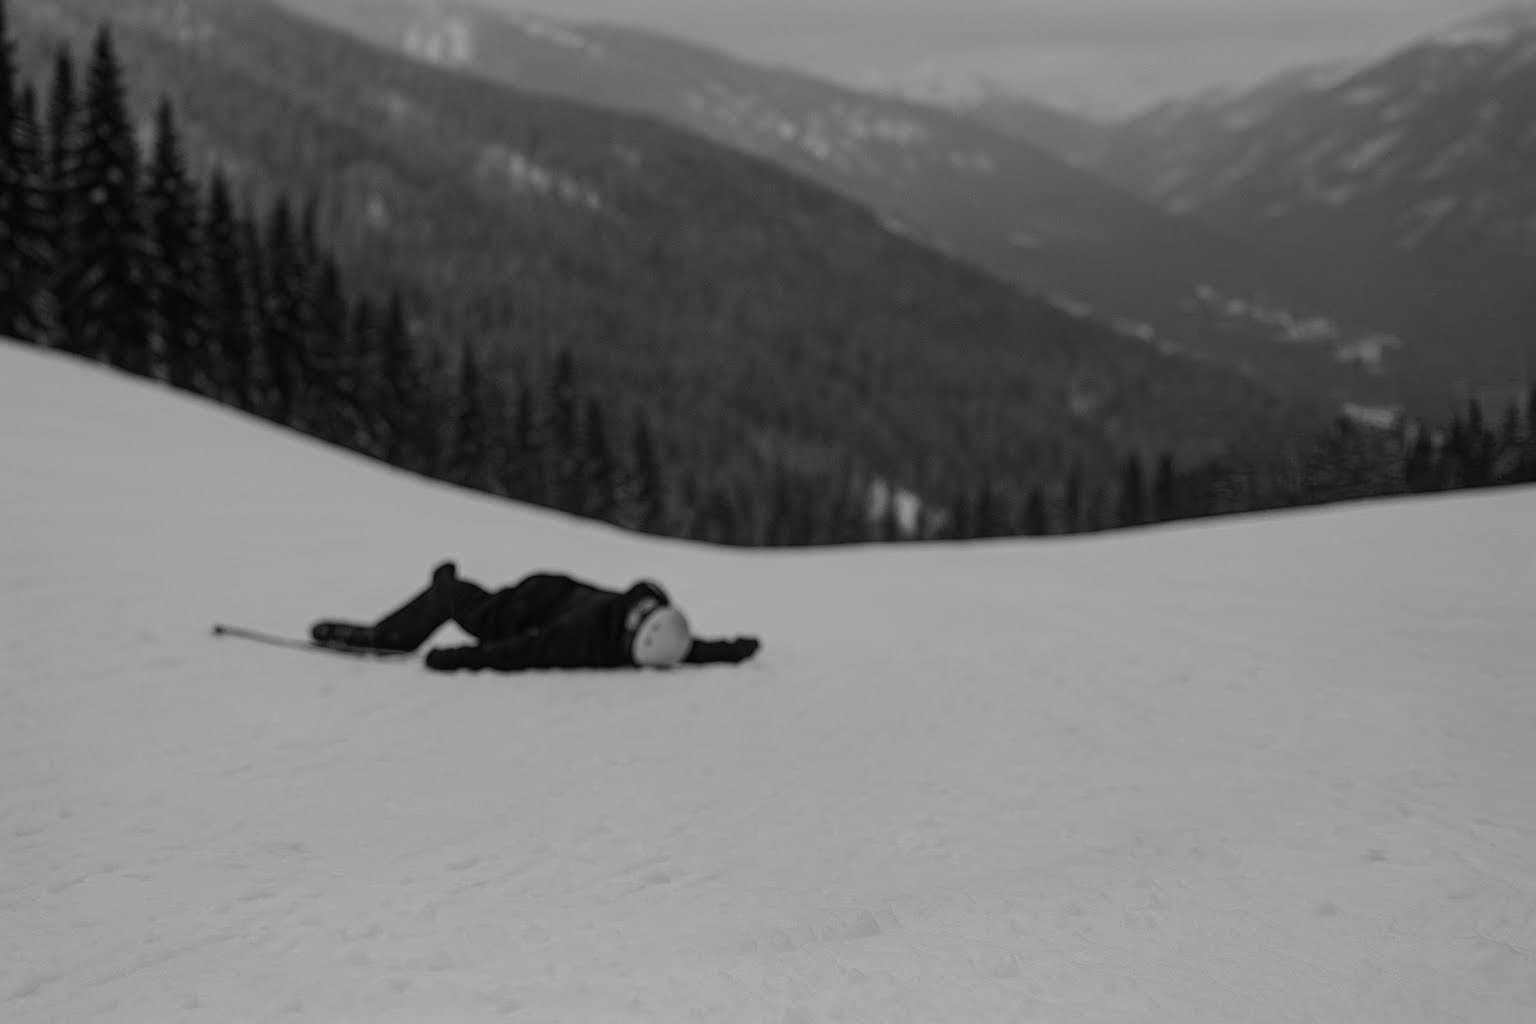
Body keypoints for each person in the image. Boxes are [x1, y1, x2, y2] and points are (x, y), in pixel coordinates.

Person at [310, 561, 761, 672]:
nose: (639, 605)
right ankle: (447, 586)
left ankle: (385, 637)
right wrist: (734, 649)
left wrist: (452, 659)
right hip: (529, 597)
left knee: (451, 596)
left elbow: (519, 653)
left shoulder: (582, 639)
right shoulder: (636, 620)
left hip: (511, 615)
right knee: (458, 593)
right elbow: (687, 648)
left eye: (643, 612)